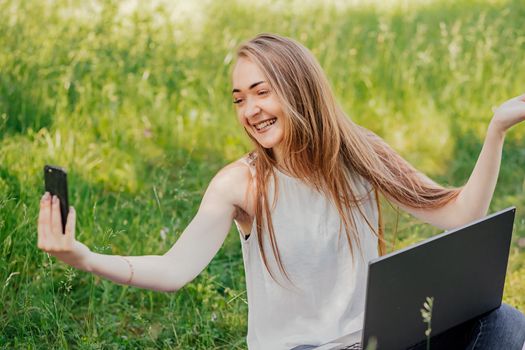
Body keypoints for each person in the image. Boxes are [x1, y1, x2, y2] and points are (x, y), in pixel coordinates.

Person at [37, 33, 525, 350]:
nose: (249, 110)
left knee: (502, 325)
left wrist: (496, 129)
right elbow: (172, 270)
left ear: (299, 88)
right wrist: (84, 257)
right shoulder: (240, 184)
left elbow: (458, 215)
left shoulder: (359, 152)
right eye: (239, 98)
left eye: (262, 91)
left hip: (376, 341)